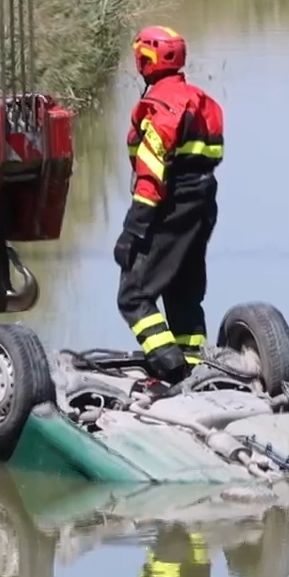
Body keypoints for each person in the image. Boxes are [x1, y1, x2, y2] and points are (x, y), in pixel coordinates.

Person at [115, 25, 226, 385]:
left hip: (169, 207)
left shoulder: (157, 109)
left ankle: (171, 368)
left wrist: (132, 232)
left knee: (134, 296)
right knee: (183, 291)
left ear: (146, 61)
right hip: (203, 204)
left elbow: (150, 180)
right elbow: (212, 157)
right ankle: (194, 365)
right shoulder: (203, 101)